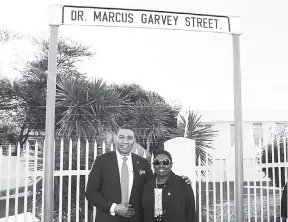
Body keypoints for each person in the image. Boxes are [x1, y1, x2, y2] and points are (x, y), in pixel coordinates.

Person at [86, 127, 191, 222]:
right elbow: (91, 192)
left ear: (134, 140)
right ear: (115, 138)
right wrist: (115, 208)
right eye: (121, 137)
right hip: (108, 218)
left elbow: (155, 182)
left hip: (136, 218)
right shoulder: (102, 161)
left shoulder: (142, 163)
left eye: (129, 138)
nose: (125, 141)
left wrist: (178, 179)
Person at [140, 149, 198, 222]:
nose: (161, 166)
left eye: (165, 162)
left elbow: (191, 212)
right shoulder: (146, 185)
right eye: (157, 162)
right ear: (153, 165)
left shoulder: (182, 184)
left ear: (171, 165)